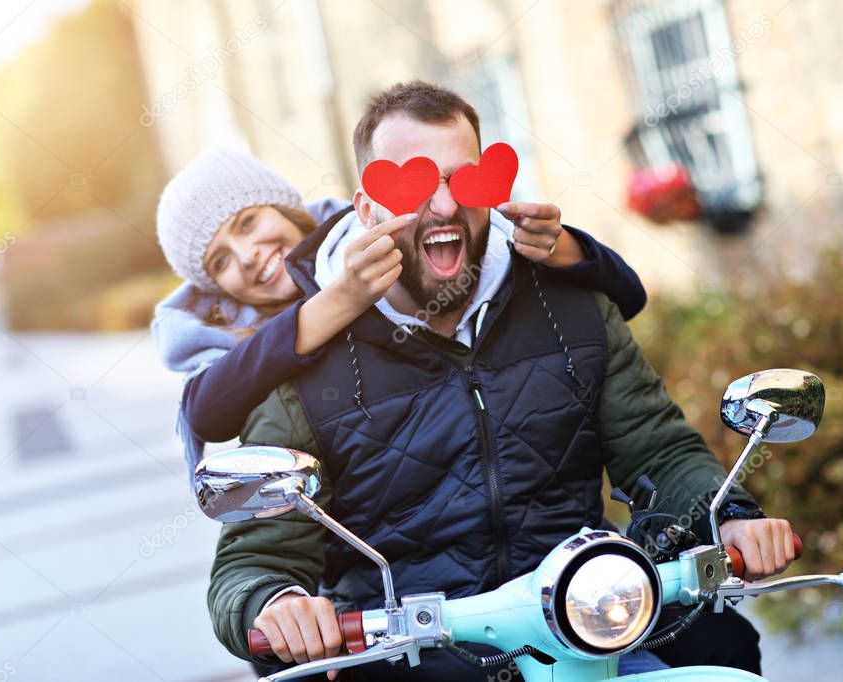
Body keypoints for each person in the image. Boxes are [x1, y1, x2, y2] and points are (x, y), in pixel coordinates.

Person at [205, 82, 790, 680]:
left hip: (589, 619)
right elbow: (253, 558)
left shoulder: (573, 305)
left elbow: (659, 450)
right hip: (412, 652)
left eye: (463, 181)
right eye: (413, 185)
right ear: (367, 209)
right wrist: (277, 604)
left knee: (724, 650)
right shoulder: (300, 361)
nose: (442, 207)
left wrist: (729, 515)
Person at [150, 149, 649, 481]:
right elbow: (206, 411)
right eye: (220, 260)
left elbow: (627, 298)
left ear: (283, 207)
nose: (247, 255)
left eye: (248, 222)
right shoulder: (233, 335)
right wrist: (342, 300)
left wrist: (560, 247)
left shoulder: (370, 241)